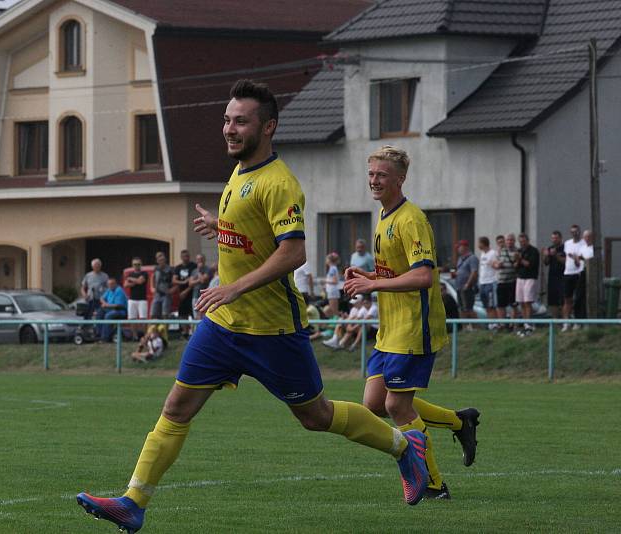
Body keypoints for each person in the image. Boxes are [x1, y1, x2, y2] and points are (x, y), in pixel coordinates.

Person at [76, 80, 431, 533]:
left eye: (240, 121)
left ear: (268, 128)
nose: (229, 128)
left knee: (315, 416)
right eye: (227, 119)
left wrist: (234, 287)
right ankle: (133, 502)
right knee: (177, 407)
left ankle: (405, 447)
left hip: (272, 331)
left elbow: (293, 252)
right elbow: (253, 234)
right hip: (224, 326)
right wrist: (220, 226)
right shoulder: (240, 173)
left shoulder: (280, 183)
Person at [344, 145, 480, 501]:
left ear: (400, 179)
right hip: (390, 327)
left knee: (396, 407)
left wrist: (373, 284)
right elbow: (400, 270)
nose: (374, 180)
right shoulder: (385, 216)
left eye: (382, 175)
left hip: (414, 326)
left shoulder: (410, 219)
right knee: (375, 403)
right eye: (371, 174)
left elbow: (423, 276)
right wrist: (368, 275)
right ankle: (458, 421)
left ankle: (434, 484)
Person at [514, 233, 540, 336]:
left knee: (527, 301)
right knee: (521, 301)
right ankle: (525, 323)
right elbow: (516, 266)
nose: (522, 243)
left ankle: (529, 323)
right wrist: (516, 261)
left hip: (530, 278)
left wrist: (520, 259)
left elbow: (530, 264)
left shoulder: (533, 251)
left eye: (523, 241)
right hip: (520, 277)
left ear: (528, 241)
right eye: (520, 242)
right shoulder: (519, 251)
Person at [562, 225, 585, 331]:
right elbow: (567, 257)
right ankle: (566, 322)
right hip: (568, 273)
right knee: (567, 299)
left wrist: (576, 259)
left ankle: (577, 321)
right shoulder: (567, 243)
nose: (574, 233)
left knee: (578, 298)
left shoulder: (583, 243)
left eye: (576, 231)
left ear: (579, 232)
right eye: (572, 232)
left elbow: (581, 260)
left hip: (578, 273)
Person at [172, 250, 198, 338]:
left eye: (187, 256)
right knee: (183, 314)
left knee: (193, 314)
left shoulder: (194, 266)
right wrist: (183, 283)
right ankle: (185, 333)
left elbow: (193, 280)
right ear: (181, 257)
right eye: (184, 256)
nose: (186, 258)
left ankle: (194, 333)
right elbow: (174, 280)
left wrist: (186, 290)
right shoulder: (178, 268)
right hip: (181, 295)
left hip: (192, 294)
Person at [454, 239, 478, 329]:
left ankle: (475, 328)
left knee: (469, 308)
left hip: (467, 287)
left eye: (459, 247)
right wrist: (455, 274)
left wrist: (468, 284)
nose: (458, 249)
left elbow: (474, 272)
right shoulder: (460, 259)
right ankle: (465, 328)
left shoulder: (472, 258)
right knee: (462, 308)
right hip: (459, 286)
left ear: (465, 247)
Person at [542, 230, 566, 320]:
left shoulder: (565, 248)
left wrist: (555, 255)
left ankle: (565, 320)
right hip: (552, 277)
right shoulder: (550, 248)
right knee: (553, 300)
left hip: (563, 276)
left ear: (560, 238)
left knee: (563, 299)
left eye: (556, 238)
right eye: (553, 238)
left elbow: (565, 262)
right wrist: (546, 255)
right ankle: (555, 320)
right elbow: (546, 263)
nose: (554, 240)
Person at [495, 234, 517, 330]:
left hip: (512, 281)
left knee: (513, 304)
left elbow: (517, 265)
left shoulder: (517, 251)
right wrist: (497, 265)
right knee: (500, 304)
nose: (509, 242)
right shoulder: (501, 251)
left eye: (511, 240)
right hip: (501, 281)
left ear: (514, 241)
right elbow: (494, 263)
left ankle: (513, 324)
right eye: (508, 240)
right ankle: (502, 324)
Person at [477, 236, 499, 329]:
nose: (478, 245)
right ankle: (490, 323)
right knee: (486, 305)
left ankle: (495, 323)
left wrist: (493, 264)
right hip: (482, 282)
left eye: (479, 243)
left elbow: (496, 265)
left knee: (491, 305)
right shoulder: (482, 253)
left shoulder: (493, 253)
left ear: (483, 243)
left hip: (490, 281)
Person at [96, 278, 128, 343]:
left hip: (120, 311)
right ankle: (98, 335)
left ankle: (105, 338)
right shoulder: (109, 290)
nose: (110, 285)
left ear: (115, 284)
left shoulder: (119, 291)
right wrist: (104, 303)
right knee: (99, 312)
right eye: (109, 284)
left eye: (112, 284)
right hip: (110, 309)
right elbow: (101, 298)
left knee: (108, 316)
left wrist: (106, 305)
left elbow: (118, 305)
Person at [124, 258, 149, 340]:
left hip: (142, 299)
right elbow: (126, 285)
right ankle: (134, 336)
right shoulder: (130, 274)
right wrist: (136, 281)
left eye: (138, 264)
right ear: (132, 265)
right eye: (135, 264)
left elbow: (140, 282)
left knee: (143, 319)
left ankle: (145, 336)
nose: (136, 266)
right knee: (132, 318)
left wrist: (131, 280)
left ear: (141, 265)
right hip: (132, 299)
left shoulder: (144, 273)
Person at [574, 229, 595, 323]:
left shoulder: (595, 249)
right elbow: (578, 264)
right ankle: (579, 318)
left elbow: (595, 263)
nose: (586, 239)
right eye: (585, 237)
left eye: (588, 237)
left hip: (591, 274)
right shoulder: (582, 248)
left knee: (588, 296)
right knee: (578, 296)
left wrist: (584, 259)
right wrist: (576, 259)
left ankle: (588, 317)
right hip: (581, 273)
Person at [81, 258, 109, 323]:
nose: (97, 267)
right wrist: (84, 295)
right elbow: (82, 287)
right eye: (95, 266)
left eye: (98, 266)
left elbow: (109, 288)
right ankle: (87, 329)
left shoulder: (105, 276)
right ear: (92, 267)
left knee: (99, 315)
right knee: (88, 316)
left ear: (100, 266)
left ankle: (98, 330)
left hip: (100, 299)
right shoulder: (88, 275)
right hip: (90, 299)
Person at [150, 251, 174, 320]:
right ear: (157, 261)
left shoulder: (170, 269)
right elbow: (152, 277)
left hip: (166, 295)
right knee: (153, 314)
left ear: (165, 260)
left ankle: (165, 330)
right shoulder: (156, 269)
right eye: (159, 260)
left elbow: (175, 282)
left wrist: (172, 290)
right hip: (157, 294)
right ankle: (154, 330)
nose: (161, 261)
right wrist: (152, 287)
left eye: (162, 260)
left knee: (165, 314)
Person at [188, 254, 211, 322]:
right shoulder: (194, 271)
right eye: (198, 259)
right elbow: (190, 284)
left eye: (201, 259)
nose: (199, 261)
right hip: (195, 296)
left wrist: (199, 272)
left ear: (204, 260)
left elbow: (203, 280)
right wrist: (198, 280)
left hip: (204, 295)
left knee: (203, 315)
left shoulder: (207, 269)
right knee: (196, 315)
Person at [324, 252, 342, 318]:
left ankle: (337, 325)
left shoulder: (333, 268)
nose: (326, 261)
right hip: (331, 291)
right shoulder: (332, 268)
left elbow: (335, 281)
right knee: (333, 310)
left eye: (327, 259)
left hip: (333, 291)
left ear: (330, 260)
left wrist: (325, 281)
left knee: (334, 311)